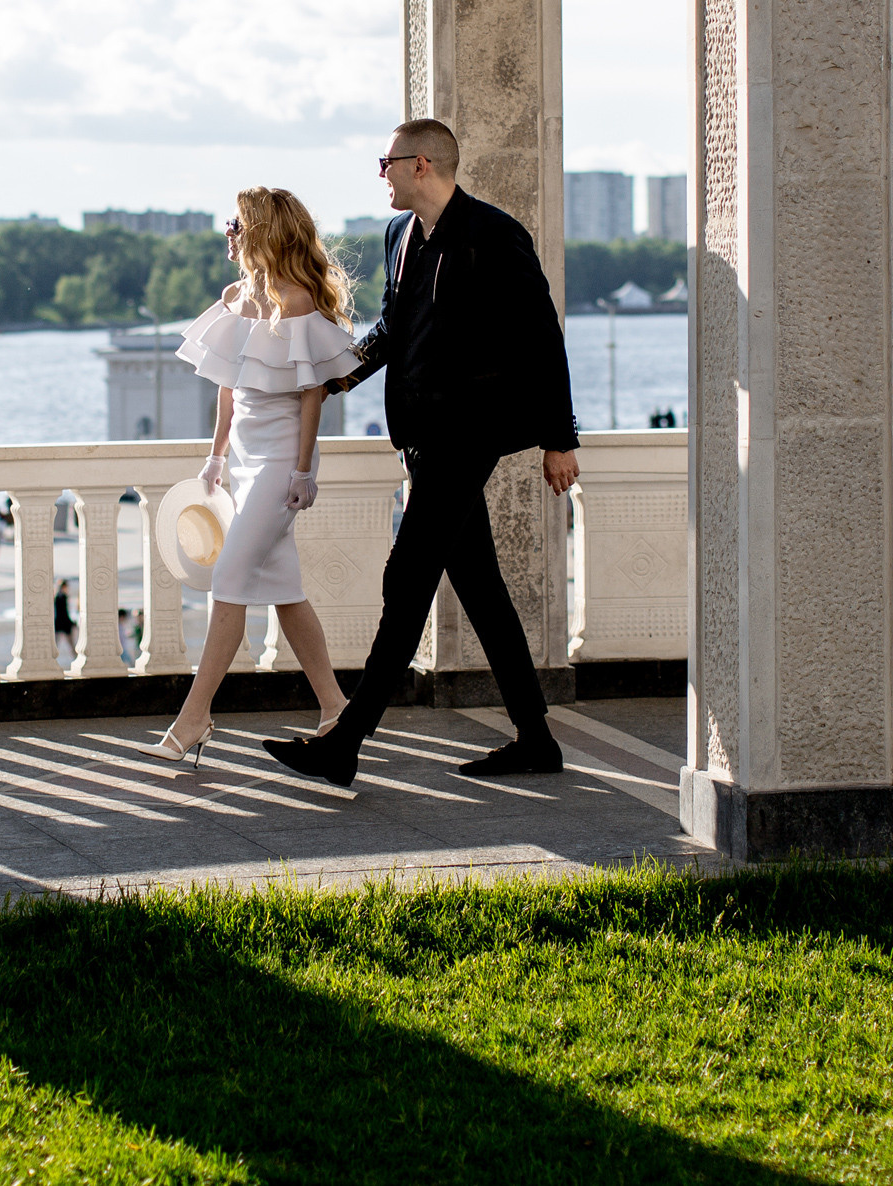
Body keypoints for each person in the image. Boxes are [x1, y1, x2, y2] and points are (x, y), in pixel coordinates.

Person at [262, 118, 580, 789]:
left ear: (421, 165)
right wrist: (337, 376)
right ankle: (536, 739)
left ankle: (345, 742)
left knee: (405, 581)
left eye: (387, 163)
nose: (380, 174)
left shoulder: (493, 235)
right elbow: (393, 326)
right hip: (419, 437)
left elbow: (541, 338)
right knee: (482, 590)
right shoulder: (398, 235)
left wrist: (559, 438)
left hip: (468, 436)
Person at [139, 187, 360, 765]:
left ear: (262, 231)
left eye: (235, 224)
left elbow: (312, 396)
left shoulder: (299, 299)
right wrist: (216, 457)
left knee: (230, 580)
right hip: (244, 459)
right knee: (284, 590)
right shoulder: (236, 298)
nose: (228, 234)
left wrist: (303, 470)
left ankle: (194, 718)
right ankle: (336, 707)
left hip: (283, 461)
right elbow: (228, 389)